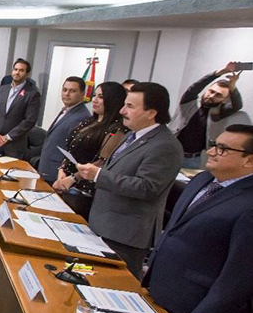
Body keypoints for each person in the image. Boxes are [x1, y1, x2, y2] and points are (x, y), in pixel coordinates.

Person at [143, 124, 253, 313]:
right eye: (214, 144)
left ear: (249, 161)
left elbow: (241, 272)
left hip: (199, 312)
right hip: (164, 291)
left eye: (223, 149)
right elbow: (175, 230)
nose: (212, 151)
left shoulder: (248, 203)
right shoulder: (203, 180)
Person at [74, 82, 183, 277]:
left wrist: (98, 175)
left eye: (130, 106)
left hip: (125, 235)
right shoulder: (132, 136)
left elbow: (147, 187)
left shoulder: (165, 145)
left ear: (151, 112)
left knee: (110, 285)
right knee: (88, 278)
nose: (122, 110)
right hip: (103, 224)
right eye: (124, 104)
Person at [52, 82, 128, 219]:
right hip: (65, 182)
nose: (94, 100)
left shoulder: (116, 129)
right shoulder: (88, 121)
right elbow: (70, 150)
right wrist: (62, 171)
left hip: (83, 189)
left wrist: (73, 178)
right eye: (94, 95)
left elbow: (102, 161)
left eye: (101, 97)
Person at [170, 63, 243, 168]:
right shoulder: (188, 103)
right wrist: (219, 73)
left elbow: (237, 105)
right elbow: (194, 88)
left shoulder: (218, 112)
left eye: (218, 95)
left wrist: (232, 86)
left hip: (191, 159)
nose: (212, 96)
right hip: (169, 153)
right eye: (211, 91)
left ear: (224, 99)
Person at [36, 76, 91, 182]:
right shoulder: (66, 111)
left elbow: (72, 149)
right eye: (64, 90)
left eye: (72, 91)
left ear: (83, 94)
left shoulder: (81, 117)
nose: (66, 94)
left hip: (58, 174)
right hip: (47, 169)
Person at [0, 59, 41, 159]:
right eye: (15, 69)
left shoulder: (32, 94)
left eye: (21, 70)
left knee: (9, 174)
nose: (17, 72)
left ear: (27, 74)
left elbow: (29, 120)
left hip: (14, 145)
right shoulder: (2, 89)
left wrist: (7, 137)